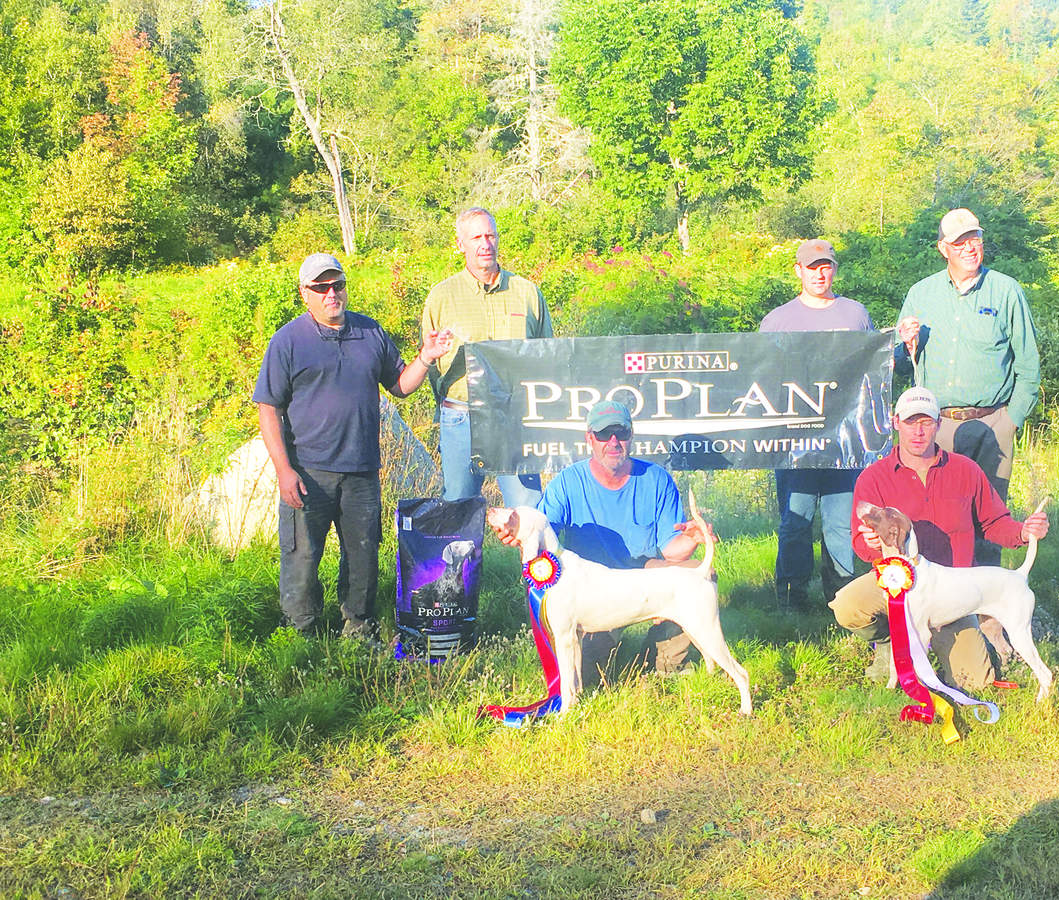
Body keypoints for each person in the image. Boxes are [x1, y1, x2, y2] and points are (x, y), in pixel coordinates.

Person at [254, 253, 453, 640]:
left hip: (362, 470)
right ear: (304, 294)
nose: (332, 294)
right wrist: (284, 471)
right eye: (321, 288)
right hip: (307, 471)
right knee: (302, 556)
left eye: (338, 285)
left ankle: (359, 628)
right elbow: (268, 409)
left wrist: (426, 358)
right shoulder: (287, 342)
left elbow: (401, 386)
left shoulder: (370, 333)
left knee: (363, 555)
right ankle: (302, 632)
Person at [828, 387, 1050, 690]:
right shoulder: (873, 477)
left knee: (975, 683)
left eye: (927, 422)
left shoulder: (965, 470)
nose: (918, 432)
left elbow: (994, 522)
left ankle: (966, 644)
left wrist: (1024, 532)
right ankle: (892, 641)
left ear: (938, 425)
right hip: (895, 584)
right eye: (910, 422)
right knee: (848, 606)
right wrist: (869, 542)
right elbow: (859, 544)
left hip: (952, 591)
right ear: (896, 423)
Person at [493, 400, 714, 677]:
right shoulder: (567, 482)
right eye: (603, 434)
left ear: (631, 436)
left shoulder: (657, 479)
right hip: (593, 589)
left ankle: (668, 660)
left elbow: (672, 550)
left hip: (642, 575)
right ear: (590, 439)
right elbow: (539, 531)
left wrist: (695, 537)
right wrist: (518, 535)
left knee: (698, 573)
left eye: (620, 433)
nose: (613, 442)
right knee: (587, 673)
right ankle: (622, 652)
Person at [895, 208, 1040, 564]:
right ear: (944, 247)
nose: (969, 247)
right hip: (937, 425)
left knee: (992, 518)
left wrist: (1012, 419)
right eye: (960, 242)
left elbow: (1028, 362)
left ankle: (989, 613)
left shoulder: (1006, 291)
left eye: (974, 239)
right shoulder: (921, 294)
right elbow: (898, 365)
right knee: (937, 518)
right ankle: (942, 612)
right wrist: (904, 344)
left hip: (992, 424)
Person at [759, 238, 874, 608]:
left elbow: (873, 370)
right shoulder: (777, 320)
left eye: (826, 266)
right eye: (812, 267)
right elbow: (761, 378)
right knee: (796, 523)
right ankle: (791, 600)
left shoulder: (855, 314)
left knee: (841, 525)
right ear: (798, 271)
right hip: (795, 441)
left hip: (844, 441)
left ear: (834, 270)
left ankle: (842, 599)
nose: (820, 274)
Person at [422, 207, 552, 506]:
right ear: (460, 244)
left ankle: (533, 556)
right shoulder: (441, 297)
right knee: (458, 506)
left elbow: (547, 356)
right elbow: (430, 364)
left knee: (528, 508)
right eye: (476, 237)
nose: (485, 244)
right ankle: (466, 556)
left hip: (516, 417)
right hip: (460, 417)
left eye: (490, 235)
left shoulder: (527, 292)